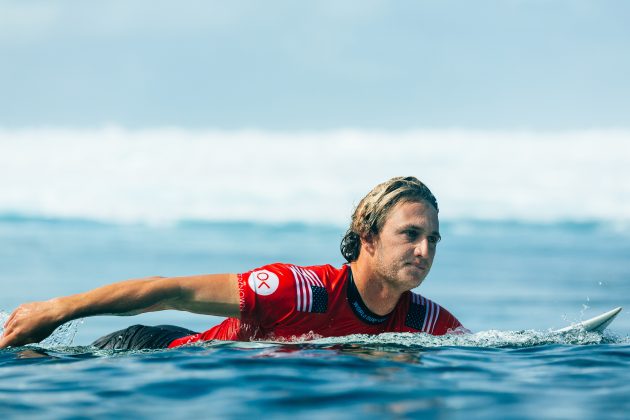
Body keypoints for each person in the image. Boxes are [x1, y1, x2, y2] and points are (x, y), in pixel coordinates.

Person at [0, 176, 465, 350]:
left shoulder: (425, 321)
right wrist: (57, 309)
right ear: (367, 236)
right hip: (151, 356)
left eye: (433, 239)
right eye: (410, 234)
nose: (425, 251)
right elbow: (171, 291)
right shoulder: (298, 290)